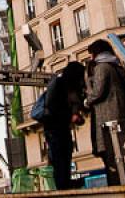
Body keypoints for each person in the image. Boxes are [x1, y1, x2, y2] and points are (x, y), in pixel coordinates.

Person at [86, 39, 125, 186]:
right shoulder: (117, 66)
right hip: (124, 114)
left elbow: (97, 92)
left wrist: (87, 98)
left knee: (112, 156)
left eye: (91, 54)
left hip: (108, 116)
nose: (91, 58)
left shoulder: (101, 68)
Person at [42, 61, 86, 190]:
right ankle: (63, 186)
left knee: (65, 156)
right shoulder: (59, 84)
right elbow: (52, 107)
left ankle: (64, 184)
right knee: (60, 158)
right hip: (55, 127)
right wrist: (70, 116)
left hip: (61, 127)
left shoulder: (65, 85)